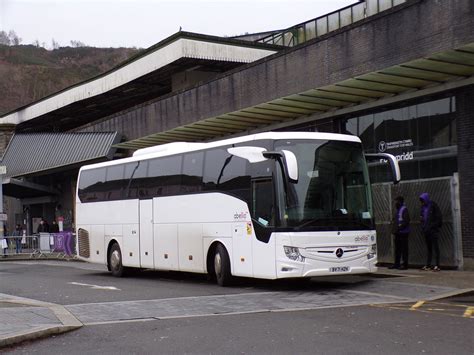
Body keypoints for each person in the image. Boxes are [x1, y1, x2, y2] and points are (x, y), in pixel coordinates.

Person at [419, 192, 443, 271]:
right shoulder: (423, 207)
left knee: (436, 248)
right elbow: (422, 218)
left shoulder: (433, 205)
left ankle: (437, 265)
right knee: (429, 248)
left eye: (423, 200)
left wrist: (433, 226)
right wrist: (423, 227)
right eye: (421, 201)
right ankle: (428, 265)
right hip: (426, 230)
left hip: (433, 230)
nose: (422, 202)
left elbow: (439, 217)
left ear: (426, 199)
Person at [389, 196, 410, 270]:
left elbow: (406, 221)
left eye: (396, 201)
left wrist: (399, 228)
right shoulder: (398, 210)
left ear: (400, 202)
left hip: (403, 233)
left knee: (404, 249)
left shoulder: (404, 209)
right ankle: (396, 264)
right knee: (397, 249)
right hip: (398, 233)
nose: (395, 203)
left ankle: (405, 265)